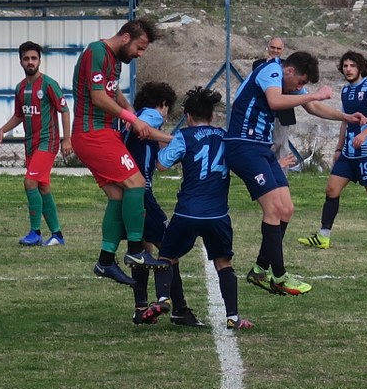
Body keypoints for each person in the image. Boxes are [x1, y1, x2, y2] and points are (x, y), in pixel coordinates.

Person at [226, 50, 367, 296]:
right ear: (289, 71)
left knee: (286, 209)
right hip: (243, 146)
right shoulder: (272, 70)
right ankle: (279, 277)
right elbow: (275, 102)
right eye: (300, 82)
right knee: (273, 210)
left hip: (262, 149)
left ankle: (260, 269)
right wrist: (314, 93)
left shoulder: (286, 80)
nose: (299, 88)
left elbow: (312, 106)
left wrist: (346, 117)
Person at [144, 86, 254, 331]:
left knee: (167, 257)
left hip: (187, 212)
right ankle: (233, 317)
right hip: (218, 214)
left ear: (187, 116)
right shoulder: (224, 135)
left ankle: (163, 299)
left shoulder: (184, 136)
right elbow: (241, 162)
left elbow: (161, 165)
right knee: (224, 263)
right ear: (212, 116)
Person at [70, 19, 166, 288]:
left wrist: (129, 111)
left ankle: (105, 260)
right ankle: (136, 250)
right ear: (125, 37)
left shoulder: (113, 60)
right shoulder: (96, 51)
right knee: (136, 183)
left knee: (119, 194)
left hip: (103, 133)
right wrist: (131, 119)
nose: (140, 54)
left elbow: (113, 91)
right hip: (92, 134)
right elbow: (99, 97)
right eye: (140, 47)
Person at [121, 81, 206, 328]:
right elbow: (146, 127)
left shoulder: (135, 117)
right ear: (164, 105)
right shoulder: (151, 114)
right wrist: (174, 139)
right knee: (170, 247)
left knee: (142, 251)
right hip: (142, 193)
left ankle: (140, 310)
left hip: (130, 193)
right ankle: (179, 309)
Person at [297, 51, 367, 252]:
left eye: (352, 65)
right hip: (348, 153)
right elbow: (345, 121)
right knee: (331, 189)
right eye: (345, 66)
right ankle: (323, 236)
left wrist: (364, 134)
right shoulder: (346, 92)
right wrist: (339, 148)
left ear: (360, 67)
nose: (348, 69)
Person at [0, 41, 72, 247]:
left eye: (34, 58)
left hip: (48, 142)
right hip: (31, 144)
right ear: (20, 61)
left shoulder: (48, 84)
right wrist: (3, 129)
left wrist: (67, 139)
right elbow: (19, 115)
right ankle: (57, 234)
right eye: (26, 58)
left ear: (39, 60)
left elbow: (64, 110)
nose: (30, 62)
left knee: (29, 182)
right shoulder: (20, 88)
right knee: (43, 187)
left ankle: (35, 232)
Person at [252, 37, 297, 164]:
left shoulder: (288, 67)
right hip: (264, 113)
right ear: (268, 47)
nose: (275, 50)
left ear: (282, 50)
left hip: (282, 114)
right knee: (266, 146)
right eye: (273, 47)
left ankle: (282, 177)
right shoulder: (258, 64)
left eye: (278, 48)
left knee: (281, 146)